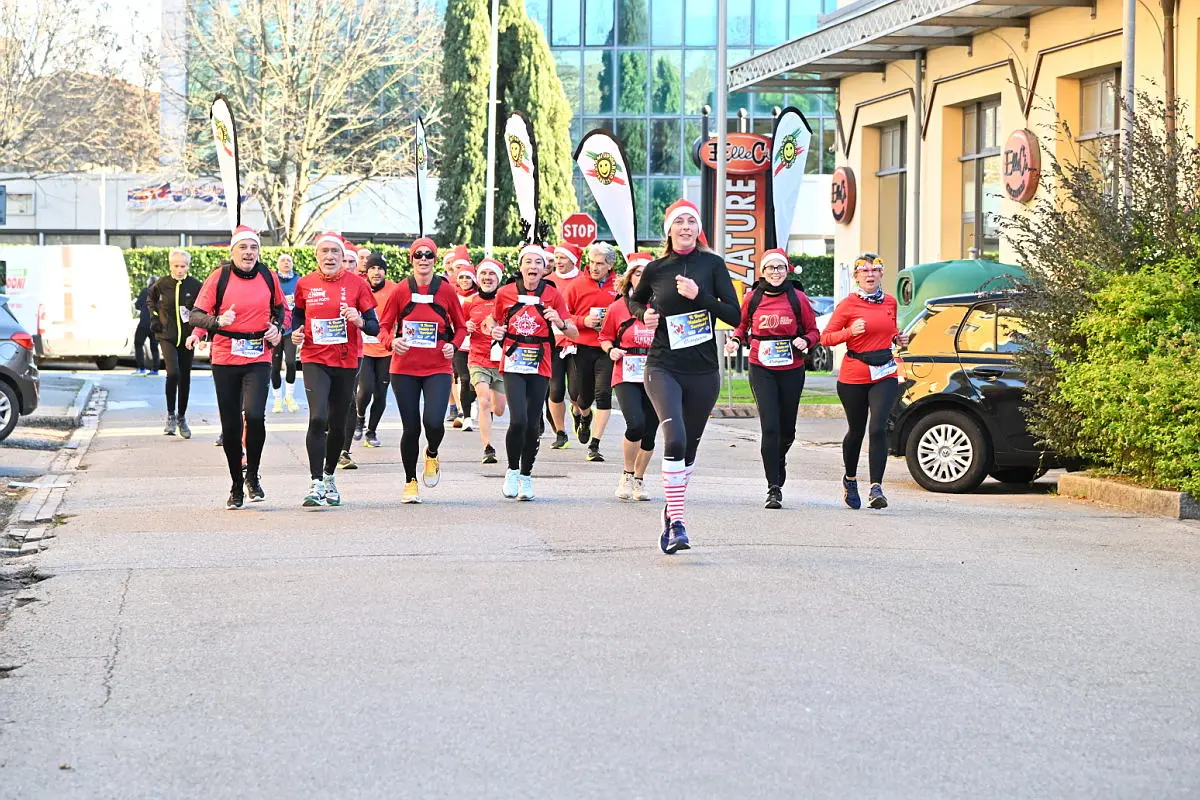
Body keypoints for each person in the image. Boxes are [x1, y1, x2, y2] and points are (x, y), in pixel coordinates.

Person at [628, 199, 740, 554]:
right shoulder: (656, 269)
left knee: (688, 449)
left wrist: (701, 296)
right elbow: (631, 299)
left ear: (698, 229)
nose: (686, 227)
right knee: (673, 438)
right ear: (670, 231)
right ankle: (678, 522)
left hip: (704, 371)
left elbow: (735, 316)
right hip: (663, 366)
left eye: (692, 221)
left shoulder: (713, 265)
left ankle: (670, 509)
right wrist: (643, 314)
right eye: (680, 222)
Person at [189, 225, 285, 509]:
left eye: (253, 247)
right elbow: (196, 315)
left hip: (258, 355)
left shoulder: (269, 276)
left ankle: (252, 475)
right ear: (233, 251)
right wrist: (218, 322)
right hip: (226, 356)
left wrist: (277, 328)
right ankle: (235, 483)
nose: (249, 252)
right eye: (243, 247)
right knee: (230, 425)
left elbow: (281, 309)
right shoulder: (220, 276)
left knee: (254, 416)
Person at [290, 232, 379, 507]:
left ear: (343, 257)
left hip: (345, 360)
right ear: (316, 256)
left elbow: (374, 326)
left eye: (335, 252)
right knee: (318, 418)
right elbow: (297, 315)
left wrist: (359, 320)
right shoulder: (305, 284)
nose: (329, 256)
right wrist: (295, 331)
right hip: (314, 357)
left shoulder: (357, 285)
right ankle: (316, 482)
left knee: (338, 423)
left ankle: (329, 477)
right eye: (324, 252)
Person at [727, 249, 820, 509]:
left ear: (787, 270)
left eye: (780, 268)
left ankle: (779, 459)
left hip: (791, 367)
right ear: (762, 272)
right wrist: (735, 340)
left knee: (787, 430)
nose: (775, 272)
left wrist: (806, 340)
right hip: (761, 366)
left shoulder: (797, 297)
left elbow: (814, 331)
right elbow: (742, 326)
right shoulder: (753, 297)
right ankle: (773, 487)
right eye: (771, 268)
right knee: (770, 427)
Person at [378, 238, 467, 504]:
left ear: (435, 259)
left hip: (437, 366)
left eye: (429, 254)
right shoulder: (400, 290)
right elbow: (383, 326)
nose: (424, 259)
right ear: (411, 259)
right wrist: (391, 342)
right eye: (419, 255)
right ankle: (410, 482)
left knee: (433, 422)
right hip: (404, 368)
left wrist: (453, 345)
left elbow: (461, 327)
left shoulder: (447, 291)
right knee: (411, 427)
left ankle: (432, 453)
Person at [489, 245, 578, 500]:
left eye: (538, 263)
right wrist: (495, 331)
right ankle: (512, 471)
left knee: (531, 423)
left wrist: (559, 322)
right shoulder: (506, 292)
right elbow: (494, 322)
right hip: (514, 359)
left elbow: (573, 332)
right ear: (521, 266)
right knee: (517, 420)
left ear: (544, 268)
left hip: (540, 361)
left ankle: (526, 476)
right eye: (528, 262)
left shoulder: (553, 294)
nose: (533, 267)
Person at [820, 252, 909, 510]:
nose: (870, 275)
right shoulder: (848, 305)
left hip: (884, 373)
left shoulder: (890, 302)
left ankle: (876, 487)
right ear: (856, 276)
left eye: (875, 270)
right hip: (854, 375)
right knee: (857, 431)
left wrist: (897, 339)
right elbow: (825, 338)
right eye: (865, 271)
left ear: (882, 274)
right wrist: (850, 331)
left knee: (879, 427)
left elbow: (889, 331)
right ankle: (850, 480)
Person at [598, 252, 656, 501]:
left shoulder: (662, 305)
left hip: (656, 372)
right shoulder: (617, 307)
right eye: (638, 273)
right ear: (630, 278)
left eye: (647, 274)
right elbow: (604, 337)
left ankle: (640, 480)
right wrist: (611, 350)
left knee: (651, 431)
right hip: (626, 370)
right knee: (636, 424)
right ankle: (627, 474)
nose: (642, 279)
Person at [564, 242, 621, 462]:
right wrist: (584, 320)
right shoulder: (576, 286)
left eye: (600, 264)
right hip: (582, 346)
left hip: (608, 348)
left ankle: (595, 445)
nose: (594, 267)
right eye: (592, 263)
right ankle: (583, 414)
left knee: (603, 393)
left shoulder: (619, 286)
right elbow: (564, 317)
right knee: (581, 396)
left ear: (610, 264)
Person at [149, 249, 203, 439]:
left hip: (187, 338)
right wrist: (155, 318)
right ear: (170, 265)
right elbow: (151, 301)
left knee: (185, 376)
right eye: (176, 266)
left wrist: (201, 334)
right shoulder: (161, 284)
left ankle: (181, 417)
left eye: (183, 266)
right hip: (167, 335)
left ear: (188, 265)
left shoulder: (196, 285)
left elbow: (203, 308)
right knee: (173, 373)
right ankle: (170, 415)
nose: (180, 269)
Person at [463, 259, 507, 464]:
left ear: (498, 278)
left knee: (498, 409)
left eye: (492, 274)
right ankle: (488, 448)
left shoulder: (506, 300)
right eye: (483, 274)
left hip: (501, 360)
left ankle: (491, 408)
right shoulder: (470, 302)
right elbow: (458, 326)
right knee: (483, 401)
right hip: (478, 358)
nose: (487, 278)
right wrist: (467, 326)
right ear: (477, 278)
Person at [354, 254, 396, 448]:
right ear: (367, 271)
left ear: (385, 272)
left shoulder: (394, 290)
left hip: (386, 349)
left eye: (380, 268)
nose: (376, 272)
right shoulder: (359, 287)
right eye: (372, 268)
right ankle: (359, 418)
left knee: (381, 393)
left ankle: (371, 431)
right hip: (365, 349)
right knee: (365, 390)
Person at [546, 244, 584, 449]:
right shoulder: (548, 282)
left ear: (573, 260)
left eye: (563, 258)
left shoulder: (582, 281)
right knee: (555, 390)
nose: (558, 261)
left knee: (576, 391)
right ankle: (560, 432)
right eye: (556, 257)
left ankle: (578, 411)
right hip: (553, 342)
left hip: (577, 340)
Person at [339, 243, 370, 469]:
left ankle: (344, 450)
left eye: (352, 261)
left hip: (354, 350)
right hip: (321, 354)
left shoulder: (360, 286)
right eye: (345, 261)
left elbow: (374, 321)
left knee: (349, 398)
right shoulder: (315, 284)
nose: (348, 265)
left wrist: (359, 319)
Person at [271, 253, 301, 413]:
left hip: (291, 328)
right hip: (275, 328)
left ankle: (289, 396)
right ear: (277, 264)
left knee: (290, 362)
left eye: (289, 260)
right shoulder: (273, 279)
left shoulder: (298, 281)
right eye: (282, 260)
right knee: (274, 366)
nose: (286, 263)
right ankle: (277, 399)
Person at [451, 258, 478, 431]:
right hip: (458, 344)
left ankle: (472, 403)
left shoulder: (478, 297)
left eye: (468, 278)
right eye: (462, 278)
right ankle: (466, 416)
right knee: (464, 378)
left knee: (475, 383)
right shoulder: (452, 295)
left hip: (477, 345)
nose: (465, 281)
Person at [133, 275, 161, 376]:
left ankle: (141, 368)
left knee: (138, 343)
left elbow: (137, 305)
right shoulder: (161, 294)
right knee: (154, 346)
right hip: (156, 324)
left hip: (144, 323)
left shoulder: (146, 291)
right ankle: (155, 370)